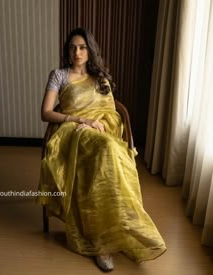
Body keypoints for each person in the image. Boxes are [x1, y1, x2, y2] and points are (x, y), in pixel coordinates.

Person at [37, 27, 166, 271]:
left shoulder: (99, 77)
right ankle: (101, 242)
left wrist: (98, 124)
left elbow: (109, 111)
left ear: (89, 50)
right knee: (108, 150)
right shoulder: (59, 75)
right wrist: (80, 121)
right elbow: (45, 113)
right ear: (67, 50)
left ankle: (122, 224)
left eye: (82, 47)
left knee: (111, 156)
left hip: (101, 131)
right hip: (71, 132)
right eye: (73, 47)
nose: (77, 52)